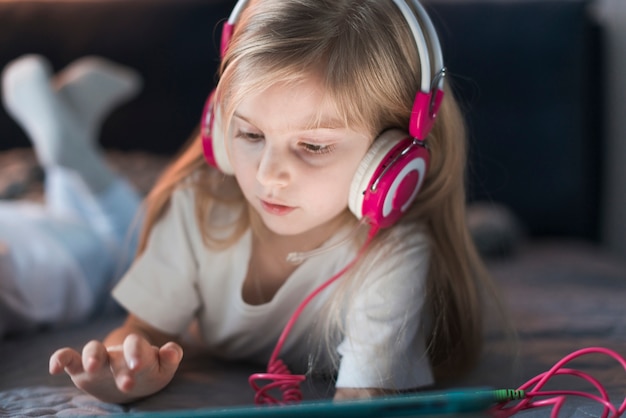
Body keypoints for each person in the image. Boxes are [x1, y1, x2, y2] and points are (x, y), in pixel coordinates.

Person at [49, 0, 497, 405]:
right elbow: (142, 331)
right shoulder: (196, 211)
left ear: (391, 163)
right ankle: (66, 151)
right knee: (101, 227)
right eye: (250, 135)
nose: (267, 176)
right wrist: (126, 366)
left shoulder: (391, 255)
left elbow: (362, 398)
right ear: (220, 127)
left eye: (314, 146)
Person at [0, 54, 142, 337]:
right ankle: (74, 138)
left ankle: (76, 150)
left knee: (138, 262)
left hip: (41, 264)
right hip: (21, 228)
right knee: (82, 231)